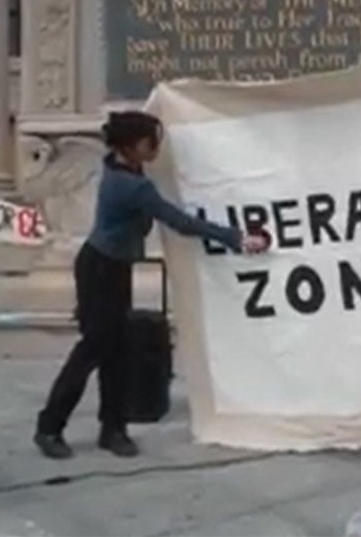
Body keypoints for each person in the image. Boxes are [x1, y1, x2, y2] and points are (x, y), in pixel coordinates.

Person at [34, 110, 269, 460]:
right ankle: (49, 427)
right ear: (131, 146)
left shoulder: (120, 165)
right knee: (92, 351)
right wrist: (237, 238)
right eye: (150, 141)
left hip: (111, 266)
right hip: (100, 270)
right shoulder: (131, 186)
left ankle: (113, 429)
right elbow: (180, 222)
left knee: (118, 349)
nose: (156, 147)